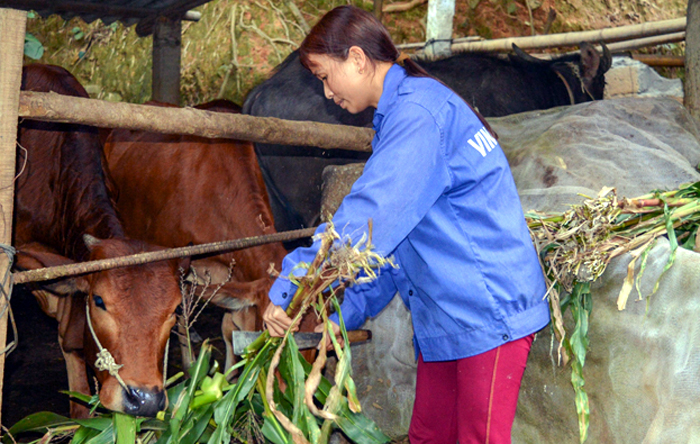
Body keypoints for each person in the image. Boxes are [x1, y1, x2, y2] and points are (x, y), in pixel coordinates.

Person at [262, 5, 551, 443]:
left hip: (486, 309)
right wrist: (349, 312)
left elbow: (365, 220)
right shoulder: (402, 114)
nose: (325, 93)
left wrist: (293, 285)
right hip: (447, 314)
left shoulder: (417, 116)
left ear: (357, 60)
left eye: (324, 76)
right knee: (427, 437)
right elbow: (392, 242)